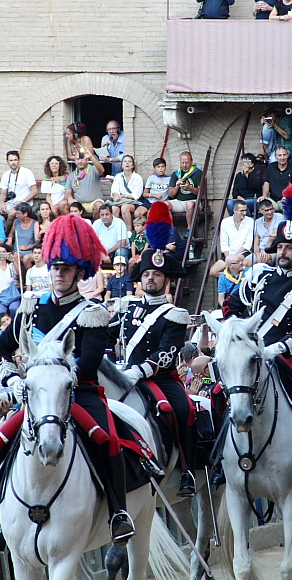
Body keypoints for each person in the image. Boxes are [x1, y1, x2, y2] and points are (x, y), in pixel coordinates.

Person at [0, 213, 135, 551]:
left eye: (66, 269)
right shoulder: (30, 307)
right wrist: (13, 379)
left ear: (80, 272)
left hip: (78, 395)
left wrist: (58, 381)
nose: (59, 274)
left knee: (108, 442)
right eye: (55, 267)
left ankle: (118, 513)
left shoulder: (91, 312)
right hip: (35, 397)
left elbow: (91, 362)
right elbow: (2, 348)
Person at [221, 178, 292, 484]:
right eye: (280, 246)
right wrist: (235, 334)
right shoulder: (259, 276)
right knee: (222, 391)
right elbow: (231, 305)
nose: (283, 252)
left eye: (290, 247)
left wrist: (279, 348)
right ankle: (221, 455)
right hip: (254, 353)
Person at [109, 204, 196, 495]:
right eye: (147, 273)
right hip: (125, 375)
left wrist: (139, 372)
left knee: (183, 410)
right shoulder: (125, 308)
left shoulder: (174, 314)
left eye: (157, 275)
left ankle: (188, 471)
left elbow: (167, 353)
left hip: (160, 379)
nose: (151, 279)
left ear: (166, 280)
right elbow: (108, 339)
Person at [211, 201, 254, 277]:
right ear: (235, 211)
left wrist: (235, 257)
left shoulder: (250, 221)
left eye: (245, 210)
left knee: (244, 264)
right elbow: (224, 243)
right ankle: (233, 277)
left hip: (243, 253)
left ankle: (237, 279)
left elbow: (248, 243)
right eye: (242, 211)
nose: (244, 213)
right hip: (228, 254)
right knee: (213, 272)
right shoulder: (225, 222)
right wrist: (229, 258)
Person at [65, 150, 106, 219]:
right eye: (78, 159)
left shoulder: (93, 169)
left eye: (82, 159)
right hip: (78, 203)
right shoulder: (72, 175)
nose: (80, 161)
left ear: (87, 160)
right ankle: (70, 224)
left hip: (93, 203)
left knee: (99, 205)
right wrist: (69, 198)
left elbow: (101, 170)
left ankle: (94, 227)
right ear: (75, 160)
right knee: (62, 205)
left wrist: (92, 157)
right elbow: (68, 191)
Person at [259, 146, 292, 212]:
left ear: (287, 156)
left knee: (290, 208)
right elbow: (266, 182)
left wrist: (288, 196)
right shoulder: (271, 167)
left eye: (284, 155)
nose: (282, 158)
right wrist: (264, 196)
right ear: (276, 157)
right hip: (273, 199)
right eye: (279, 155)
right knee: (262, 206)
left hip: (287, 199)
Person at [170, 151, 203, 229]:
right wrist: (177, 186)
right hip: (179, 201)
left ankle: (189, 229)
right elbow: (171, 194)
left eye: (187, 162)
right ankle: (169, 229)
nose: (184, 165)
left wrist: (189, 187)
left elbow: (200, 193)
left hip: (194, 201)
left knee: (190, 204)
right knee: (164, 205)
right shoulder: (176, 174)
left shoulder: (198, 173)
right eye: (182, 163)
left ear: (192, 161)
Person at [110, 155, 143, 231]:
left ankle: (129, 231)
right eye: (125, 161)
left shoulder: (137, 177)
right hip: (120, 201)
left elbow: (136, 195)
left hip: (133, 202)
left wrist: (123, 196)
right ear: (122, 165)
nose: (127, 163)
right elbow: (114, 190)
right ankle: (116, 230)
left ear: (133, 165)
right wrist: (116, 195)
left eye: (129, 161)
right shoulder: (118, 176)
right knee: (114, 208)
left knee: (125, 208)